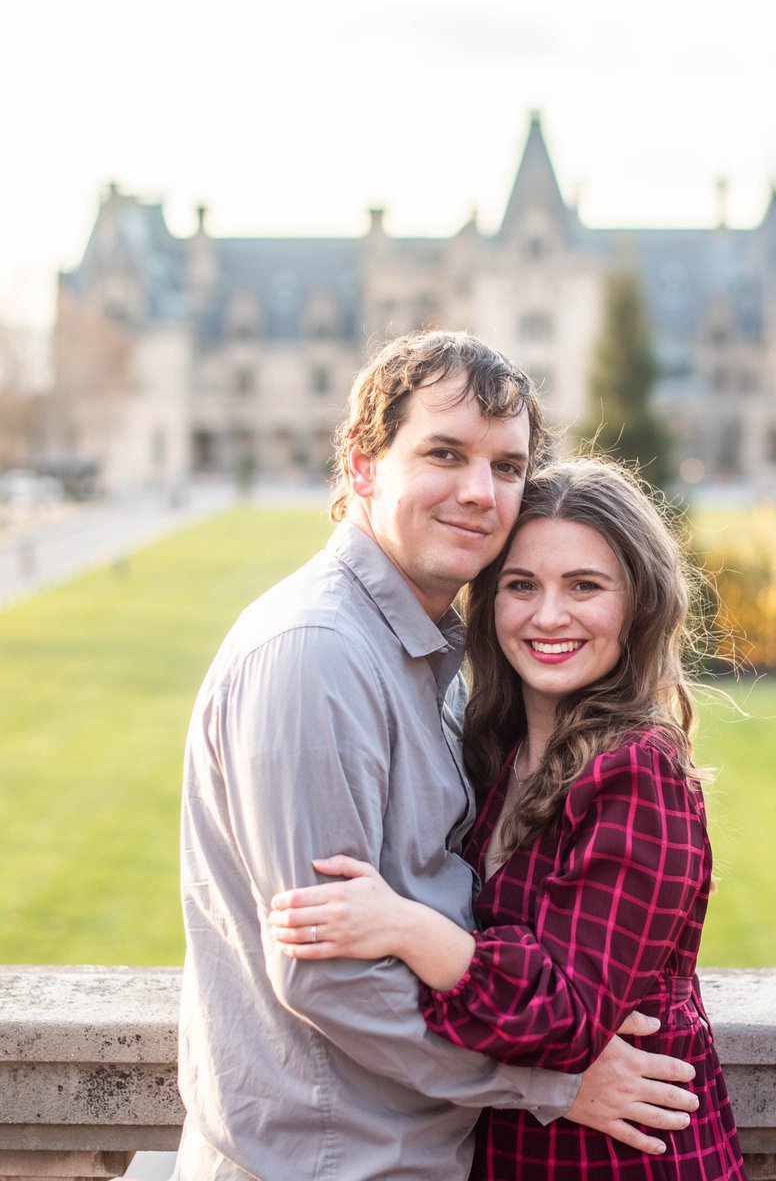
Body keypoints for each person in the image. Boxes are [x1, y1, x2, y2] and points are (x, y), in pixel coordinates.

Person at [178, 331, 700, 1181]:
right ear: (362, 465)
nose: (479, 492)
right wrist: (548, 1083)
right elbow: (329, 977)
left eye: (506, 466)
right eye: (445, 453)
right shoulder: (319, 653)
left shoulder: (427, 659)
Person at [268, 459, 745, 1178]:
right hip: (519, 1152)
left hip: (623, 1160)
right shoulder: (497, 753)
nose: (548, 616)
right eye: (522, 585)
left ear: (638, 605)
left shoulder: (638, 772)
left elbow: (569, 1015)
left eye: (584, 586)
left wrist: (406, 927)